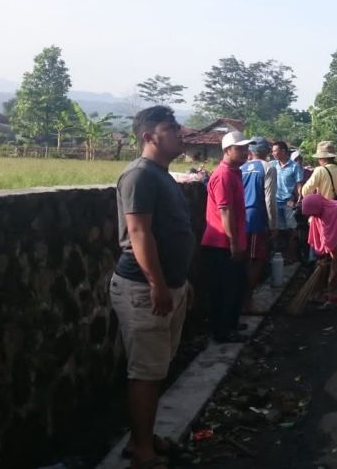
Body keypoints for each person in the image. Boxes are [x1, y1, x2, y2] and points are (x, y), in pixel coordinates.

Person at [111, 105, 194, 469]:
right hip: (144, 288)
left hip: (167, 286)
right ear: (148, 137)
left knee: (157, 368)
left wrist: (178, 282)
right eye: (169, 128)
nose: (179, 133)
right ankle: (142, 451)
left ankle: (142, 437)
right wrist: (158, 284)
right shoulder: (139, 175)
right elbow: (139, 233)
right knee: (145, 372)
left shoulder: (161, 175)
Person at [201, 130, 252, 344]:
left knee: (235, 286)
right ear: (227, 150)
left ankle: (230, 324)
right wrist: (233, 242)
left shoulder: (234, 173)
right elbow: (225, 211)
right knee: (224, 289)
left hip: (231, 241)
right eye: (239, 149)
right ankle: (222, 332)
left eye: (245, 148)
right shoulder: (223, 175)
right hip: (221, 242)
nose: (244, 152)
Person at [241, 136, 277, 312]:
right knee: (256, 260)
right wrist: (273, 224)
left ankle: (241, 298)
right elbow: (270, 198)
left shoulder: (240, 168)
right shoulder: (267, 167)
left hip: (240, 217)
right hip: (256, 216)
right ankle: (247, 300)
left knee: (242, 259)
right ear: (267, 151)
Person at [272, 141, 304, 263]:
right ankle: (278, 256)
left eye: (275, 150)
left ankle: (291, 256)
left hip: (288, 201)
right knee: (278, 230)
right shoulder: (273, 165)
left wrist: (299, 196)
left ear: (283, 151)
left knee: (291, 229)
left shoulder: (294, 166)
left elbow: (299, 184)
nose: (273, 153)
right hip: (275, 201)